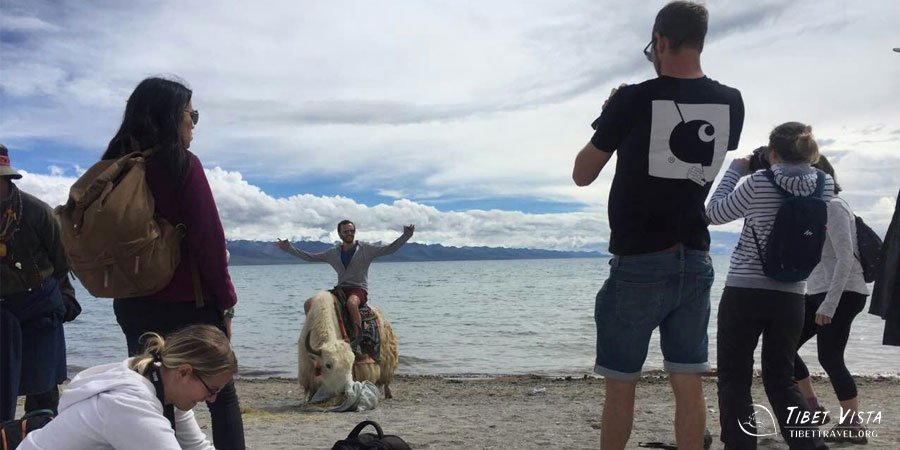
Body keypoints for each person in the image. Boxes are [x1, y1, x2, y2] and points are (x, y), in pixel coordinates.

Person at [571, 2, 744, 448]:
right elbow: (687, 166)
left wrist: (611, 117)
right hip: (696, 259)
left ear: (661, 41)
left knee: (620, 384)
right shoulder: (731, 101)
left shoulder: (633, 98)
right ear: (701, 41)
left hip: (639, 261)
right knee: (688, 382)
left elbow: (582, 173)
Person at [101, 77, 244, 449]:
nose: (193, 124)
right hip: (189, 303)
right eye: (190, 115)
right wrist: (227, 302)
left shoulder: (113, 169)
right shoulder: (182, 165)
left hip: (132, 302)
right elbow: (209, 240)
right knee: (221, 393)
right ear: (169, 116)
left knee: (153, 392)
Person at [706, 122, 832, 450]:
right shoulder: (825, 184)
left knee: (734, 378)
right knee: (782, 378)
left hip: (744, 291)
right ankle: (809, 445)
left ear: (772, 152)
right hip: (792, 295)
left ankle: (740, 444)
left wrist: (736, 171)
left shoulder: (759, 182)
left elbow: (713, 213)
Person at [19, 324, 236, 450]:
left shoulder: (162, 384)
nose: (212, 399)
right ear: (184, 372)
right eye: (211, 390)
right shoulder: (132, 405)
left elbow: (199, 447)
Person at [791, 155, 869, 444]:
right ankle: (813, 408)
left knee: (830, 357)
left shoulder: (834, 206)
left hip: (844, 292)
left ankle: (853, 425)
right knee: (784, 348)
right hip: (817, 291)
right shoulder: (815, 208)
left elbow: (845, 258)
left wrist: (830, 303)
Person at [0, 144, 68, 421]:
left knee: (43, 388)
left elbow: (61, 262)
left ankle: (43, 436)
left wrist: (66, 299)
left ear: (7, 179)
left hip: (39, 306)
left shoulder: (37, 211)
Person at [276, 221, 414, 354]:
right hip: (340, 290)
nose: (349, 233)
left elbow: (389, 249)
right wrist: (289, 248)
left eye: (352, 231)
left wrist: (406, 235)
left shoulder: (366, 249)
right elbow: (310, 257)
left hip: (359, 289)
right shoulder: (333, 253)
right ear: (340, 234)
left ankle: (357, 340)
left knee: (352, 303)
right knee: (309, 303)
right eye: (346, 231)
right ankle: (316, 337)